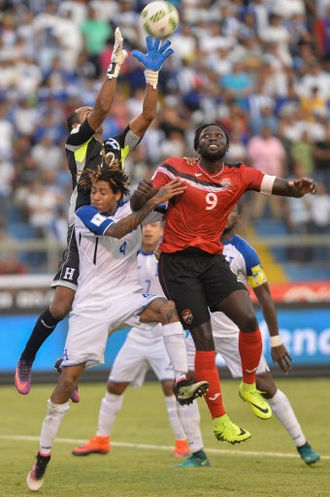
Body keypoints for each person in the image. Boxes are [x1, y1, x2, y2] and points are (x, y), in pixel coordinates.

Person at [130, 122, 317, 444]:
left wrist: (297, 189)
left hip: (212, 260)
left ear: (227, 146)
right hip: (177, 264)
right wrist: (149, 195)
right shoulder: (174, 167)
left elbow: (278, 185)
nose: (213, 138)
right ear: (196, 145)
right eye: (206, 135)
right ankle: (220, 421)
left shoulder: (240, 174)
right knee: (204, 339)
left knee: (247, 318)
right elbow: (138, 206)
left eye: (219, 135)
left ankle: (247, 385)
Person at [26, 163, 207, 492]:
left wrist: (195, 186)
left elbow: (180, 203)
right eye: (94, 191)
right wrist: (154, 202)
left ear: (119, 195)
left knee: (169, 310)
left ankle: (181, 378)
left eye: (102, 192)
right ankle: (44, 452)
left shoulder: (135, 206)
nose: (95, 197)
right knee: (68, 382)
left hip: (127, 296)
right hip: (90, 306)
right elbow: (118, 230)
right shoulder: (84, 213)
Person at [15, 32, 174, 395]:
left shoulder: (115, 148)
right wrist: (114, 66)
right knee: (62, 304)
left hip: (117, 228)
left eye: (90, 112)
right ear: (76, 125)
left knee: (105, 302)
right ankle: (27, 358)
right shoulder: (76, 145)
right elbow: (102, 109)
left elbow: (148, 115)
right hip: (85, 229)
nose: (91, 113)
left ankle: (70, 362)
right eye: (83, 113)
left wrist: (152, 77)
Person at [177, 209, 320, 467]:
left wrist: (275, 340)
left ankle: (303, 444)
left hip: (234, 335)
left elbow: (265, 297)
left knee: (266, 386)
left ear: (237, 217)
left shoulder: (245, 252)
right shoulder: (197, 243)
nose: (225, 214)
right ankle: (197, 453)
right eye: (222, 209)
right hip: (201, 332)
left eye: (230, 211)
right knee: (184, 386)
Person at [71, 221, 192, 459]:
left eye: (154, 225)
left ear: (161, 231)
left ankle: (183, 442)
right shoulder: (126, 259)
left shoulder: (169, 258)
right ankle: (101, 439)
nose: (148, 229)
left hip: (161, 336)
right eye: (145, 225)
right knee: (114, 385)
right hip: (137, 335)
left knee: (171, 387)